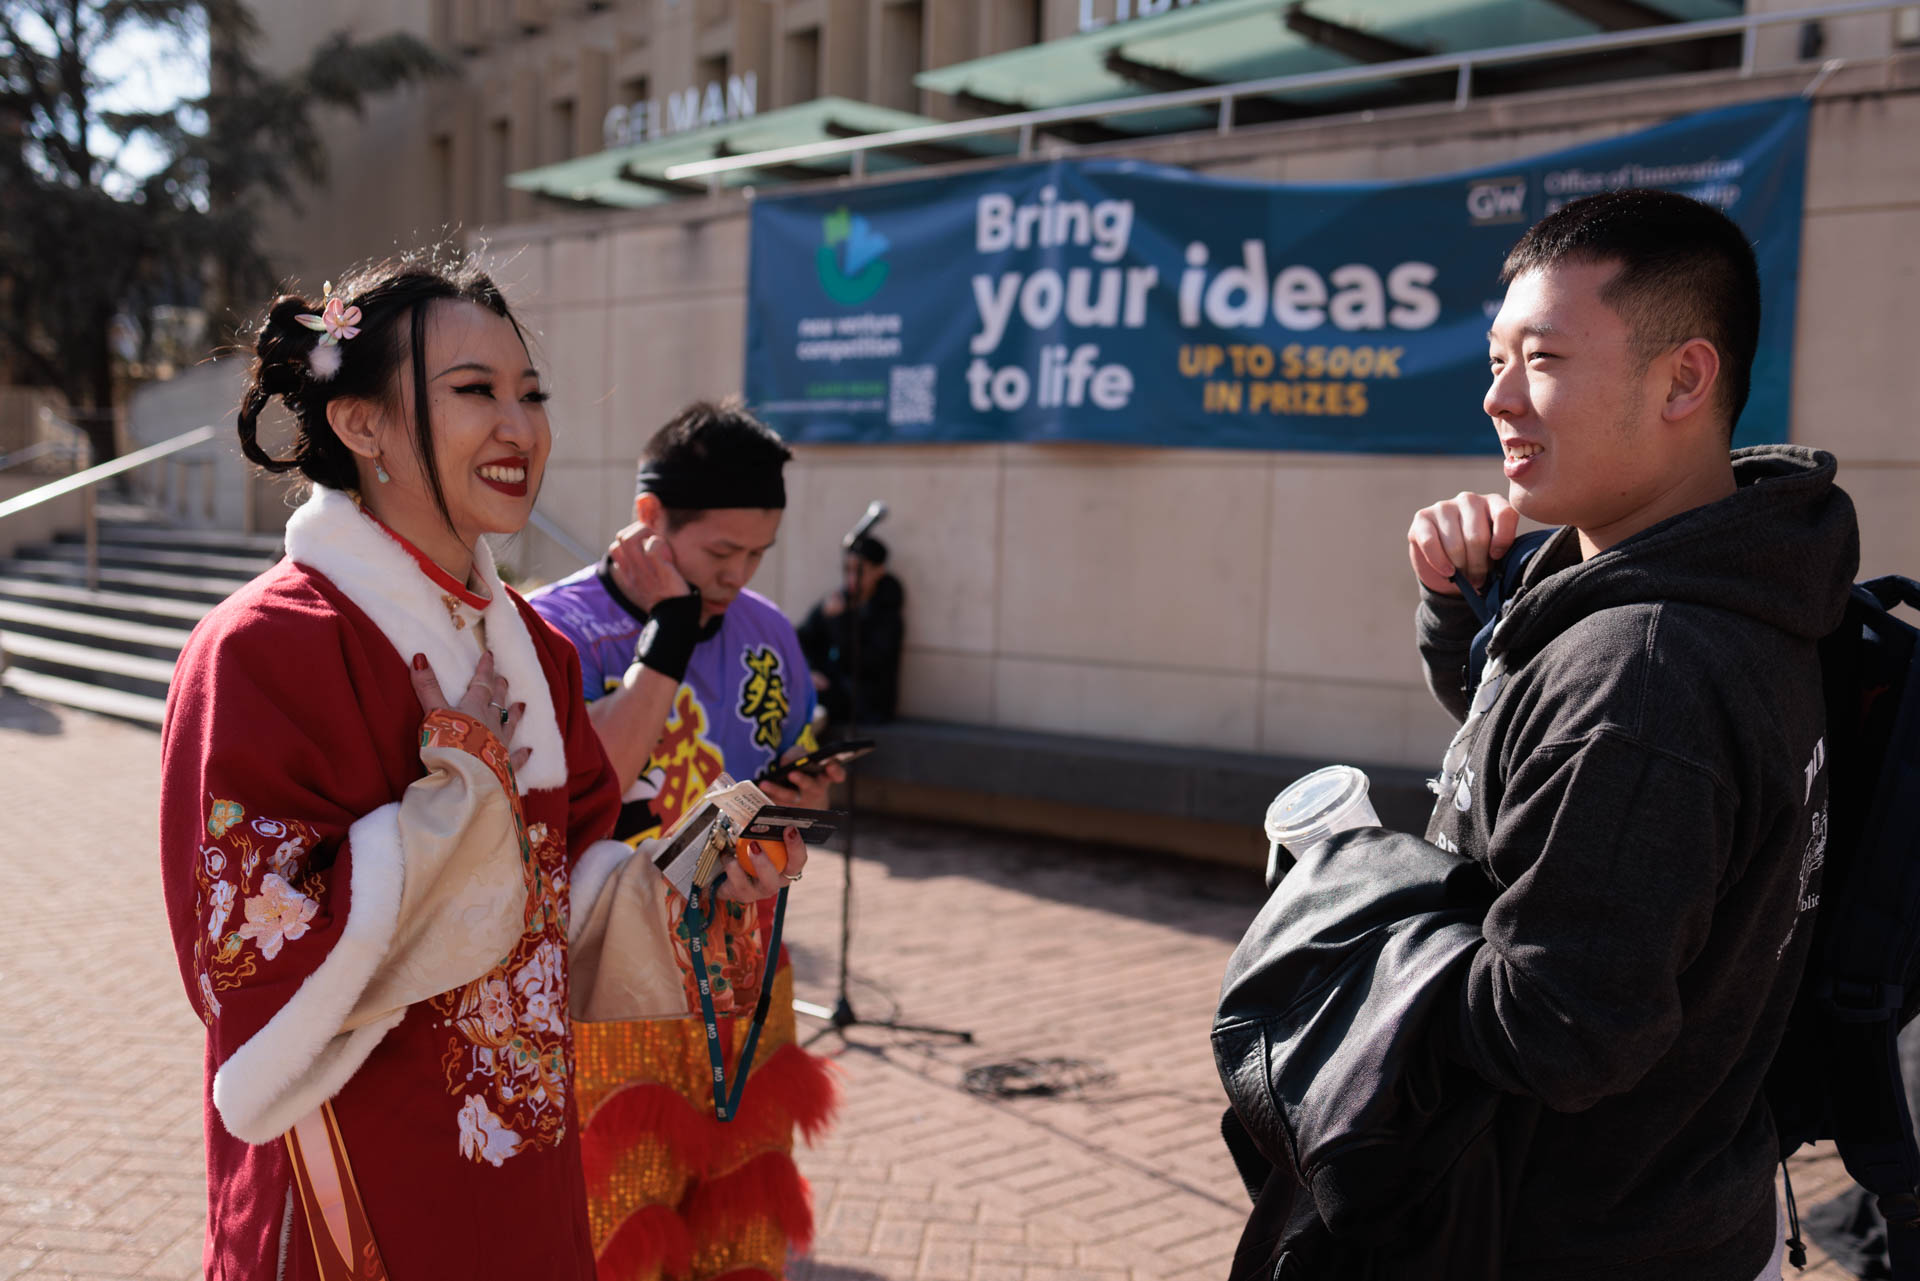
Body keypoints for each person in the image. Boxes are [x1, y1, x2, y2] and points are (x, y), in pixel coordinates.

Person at [158, 259, 800, 1280]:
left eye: (531, 394)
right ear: (361, 425)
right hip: (359, 1173)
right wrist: (462, 794)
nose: (522, 427)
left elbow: (570, 886)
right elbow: (254, 969)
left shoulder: (530, 653)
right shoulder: (265, 649)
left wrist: (701, 874)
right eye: (474, 392)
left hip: (525, 1165)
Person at [1404, 189, 1858, 1279]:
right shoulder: (1734, 574)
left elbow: (1561, 1034)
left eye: (1545, 360)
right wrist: (1460, 615)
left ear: (1685, 378)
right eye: (1498, 357)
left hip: (1566, 1242)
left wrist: (1350, 918)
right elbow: (1561, 781)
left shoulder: (1644, 670)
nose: (1499, 398)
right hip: (1692, 1208)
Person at [528, 399, 840, 1281]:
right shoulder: (556, 632)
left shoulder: (770, 637)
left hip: (745, 961)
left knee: (740, 1218)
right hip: (615, 972)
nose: (739, 575)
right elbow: (551, 813)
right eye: (720, 553)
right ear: (651, 520)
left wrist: (796, 815)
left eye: (757, 556)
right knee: (619, 1212)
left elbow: (785, 784)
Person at [797, 534, 905, 728]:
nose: (852, 578)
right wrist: (810, 671)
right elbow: (802, 639)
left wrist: (839, 622)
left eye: (860, 571)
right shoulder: (838, 601)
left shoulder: (887, 614)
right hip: (831, 688)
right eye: (848, 570)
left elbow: (865, 664)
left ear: (879, 571)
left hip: (866, 704)